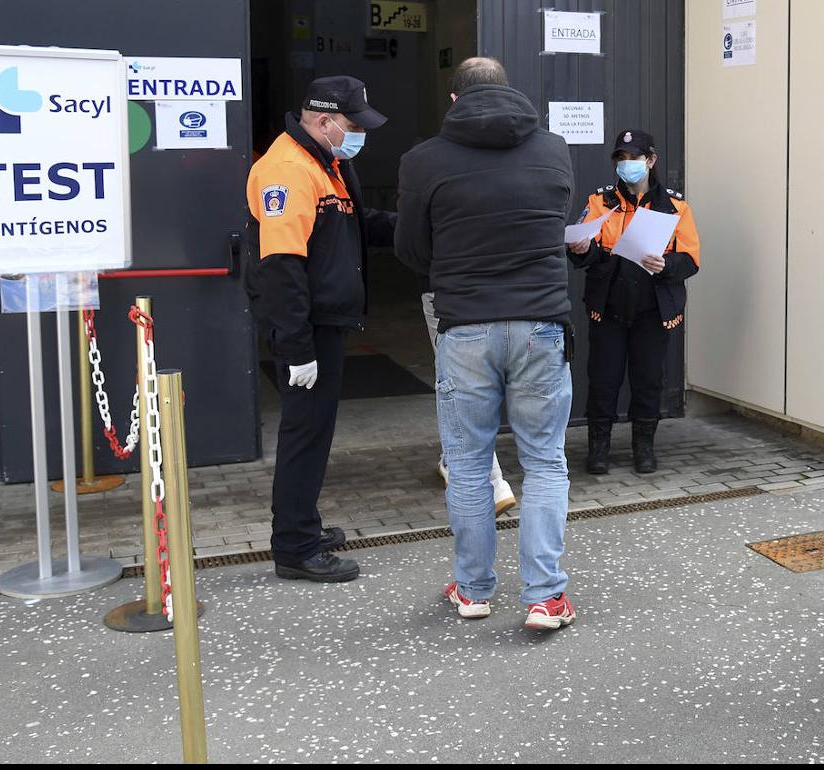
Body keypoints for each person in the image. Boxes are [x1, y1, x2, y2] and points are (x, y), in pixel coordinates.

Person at [395, 57, 576, 630]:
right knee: (544, 460)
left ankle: (472, 590)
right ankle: (545, 597)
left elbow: (410, 251)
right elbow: (554, 223)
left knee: (470, 465)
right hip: (541, 324)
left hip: (466, 325)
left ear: (453, 100)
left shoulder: (423, 160)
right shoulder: (553, 149)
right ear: (510, 91)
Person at [246, 76, 397, 583]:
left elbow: (357, 223)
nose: (359, 136)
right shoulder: (288, 169)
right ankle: (294, 546)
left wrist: (417, 224)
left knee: (315, 431)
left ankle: (302, 525)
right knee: (304, 435)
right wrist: (296, 348)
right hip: (305, 329)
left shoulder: (326, 161)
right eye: (353, 126)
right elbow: (282, 265)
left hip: (324, 323)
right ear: (324, 120)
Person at [566, 130, 700, 475]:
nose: (627, 165)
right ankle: (599, 449)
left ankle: (644, 448)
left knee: (648, 380)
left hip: (653, 311)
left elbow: (691, 260)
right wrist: (582, 249)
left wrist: (666, 265)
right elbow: (588, 251)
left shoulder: (675, 207)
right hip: (608, 307)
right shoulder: (601, 202)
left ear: (650, 161)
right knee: (603, 379)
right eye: (621, 159)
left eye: (634, 158)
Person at [419, 290, 517, 516]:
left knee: (455, 380)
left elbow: (412, 254)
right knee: (546, 456)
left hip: (448, 289)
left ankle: (492, 480)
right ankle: (454, 461)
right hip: (513, 297)